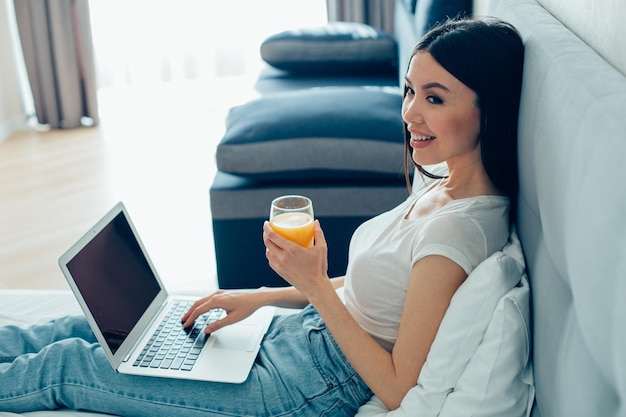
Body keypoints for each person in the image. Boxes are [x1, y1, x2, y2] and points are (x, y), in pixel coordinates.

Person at [0, 17, 524, 416]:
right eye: (410, 90)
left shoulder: (458, 231)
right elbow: (379, 291)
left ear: (489, 109)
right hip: (300, 337)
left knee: (70, 363)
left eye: (435, 98)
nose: (410, 112)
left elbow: (397, 387)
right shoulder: (443, 184)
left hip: (308, 386)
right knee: (94, 326)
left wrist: (314, 285)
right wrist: (261, 297)